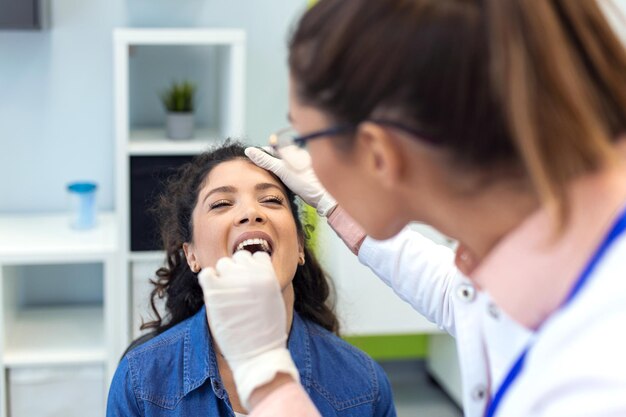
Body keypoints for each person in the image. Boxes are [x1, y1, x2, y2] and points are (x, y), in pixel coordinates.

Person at [198, 1, 626, 416]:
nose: (251, 213)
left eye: (304, 140)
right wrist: (335, 203)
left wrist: (266, 379)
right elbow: (462, 296)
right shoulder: (546, 253)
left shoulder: (596, 376)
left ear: (378, 154)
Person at [106, 142, 396, 417]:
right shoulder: (140, 381)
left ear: (298, 246)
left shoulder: (365, 385)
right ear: (191, 254)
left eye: (270, 200)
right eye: (221, 203)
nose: (250, 213)